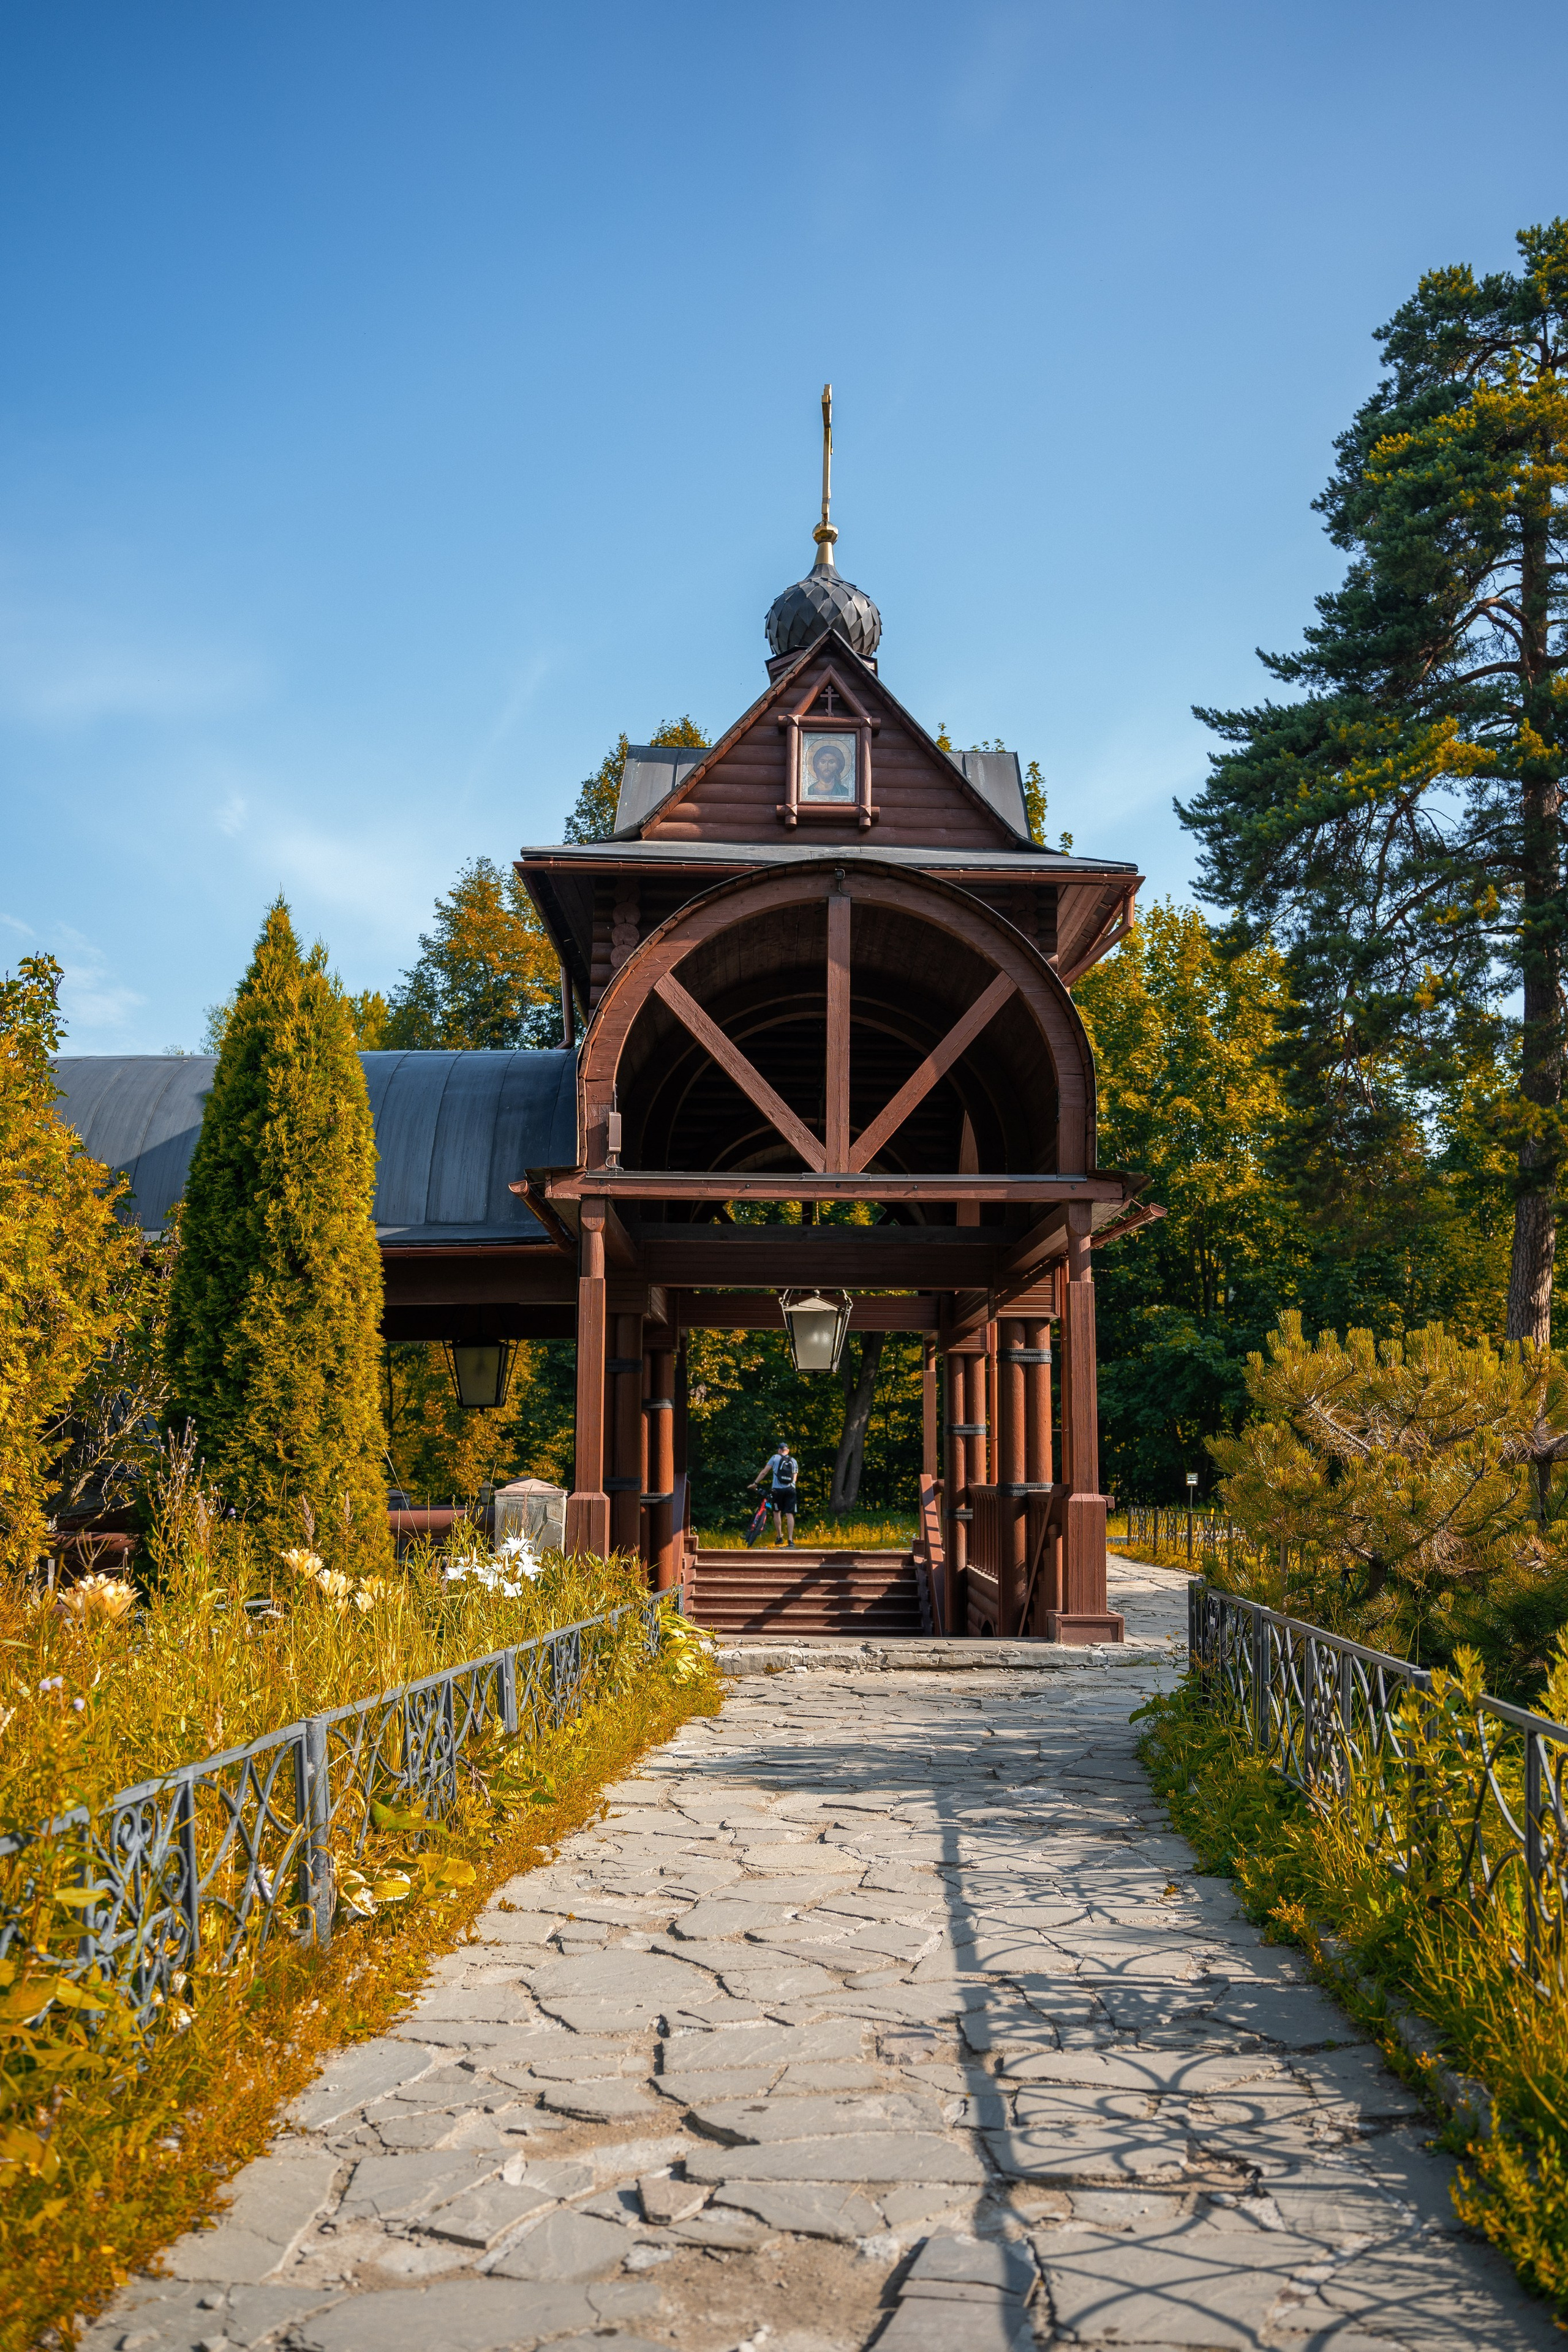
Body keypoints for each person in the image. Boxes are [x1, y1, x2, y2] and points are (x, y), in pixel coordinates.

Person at [749, 1439, 800, 1546]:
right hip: (791, 1490)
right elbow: (795, 1478)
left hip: (777, 1490)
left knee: (777, 1512)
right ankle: (790, 1540)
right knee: (790, 1514)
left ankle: (779, 1537)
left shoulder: (775, 1458)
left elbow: (764, 1472)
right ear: (788, 1451)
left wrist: (755, 1483)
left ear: (779, 1450)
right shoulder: (794, 1461)